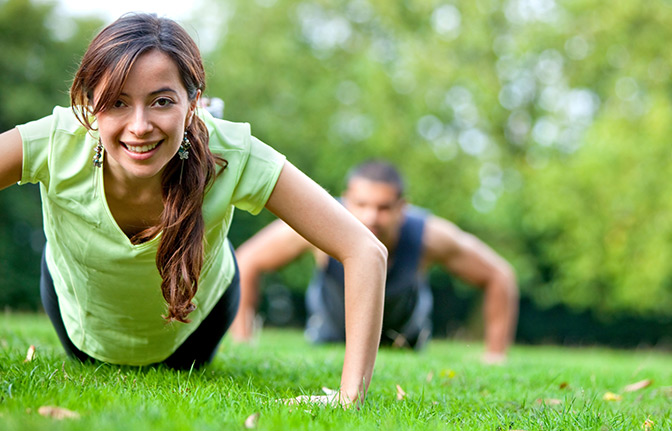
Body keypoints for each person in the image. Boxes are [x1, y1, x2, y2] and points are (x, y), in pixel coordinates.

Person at [0, 13, 386, 406]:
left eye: (162, 101)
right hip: (81, 330)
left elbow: (365, 251)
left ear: (192, 103)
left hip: (194, 334)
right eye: (117, 102)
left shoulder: (234, 152)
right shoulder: (55, 141)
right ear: (89, 105)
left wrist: (349, 396)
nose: (139, 126)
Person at [232, 160, 519, 363]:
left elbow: (499, 276)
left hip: (404, 345)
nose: (371, 217)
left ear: (402, 208)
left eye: (383, 208)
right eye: (362, 204)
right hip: (329, 340)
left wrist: (495, 355)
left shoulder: (430, 236)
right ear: (345, 201)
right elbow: (248, 260)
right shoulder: (317, 222)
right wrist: (243, 339)